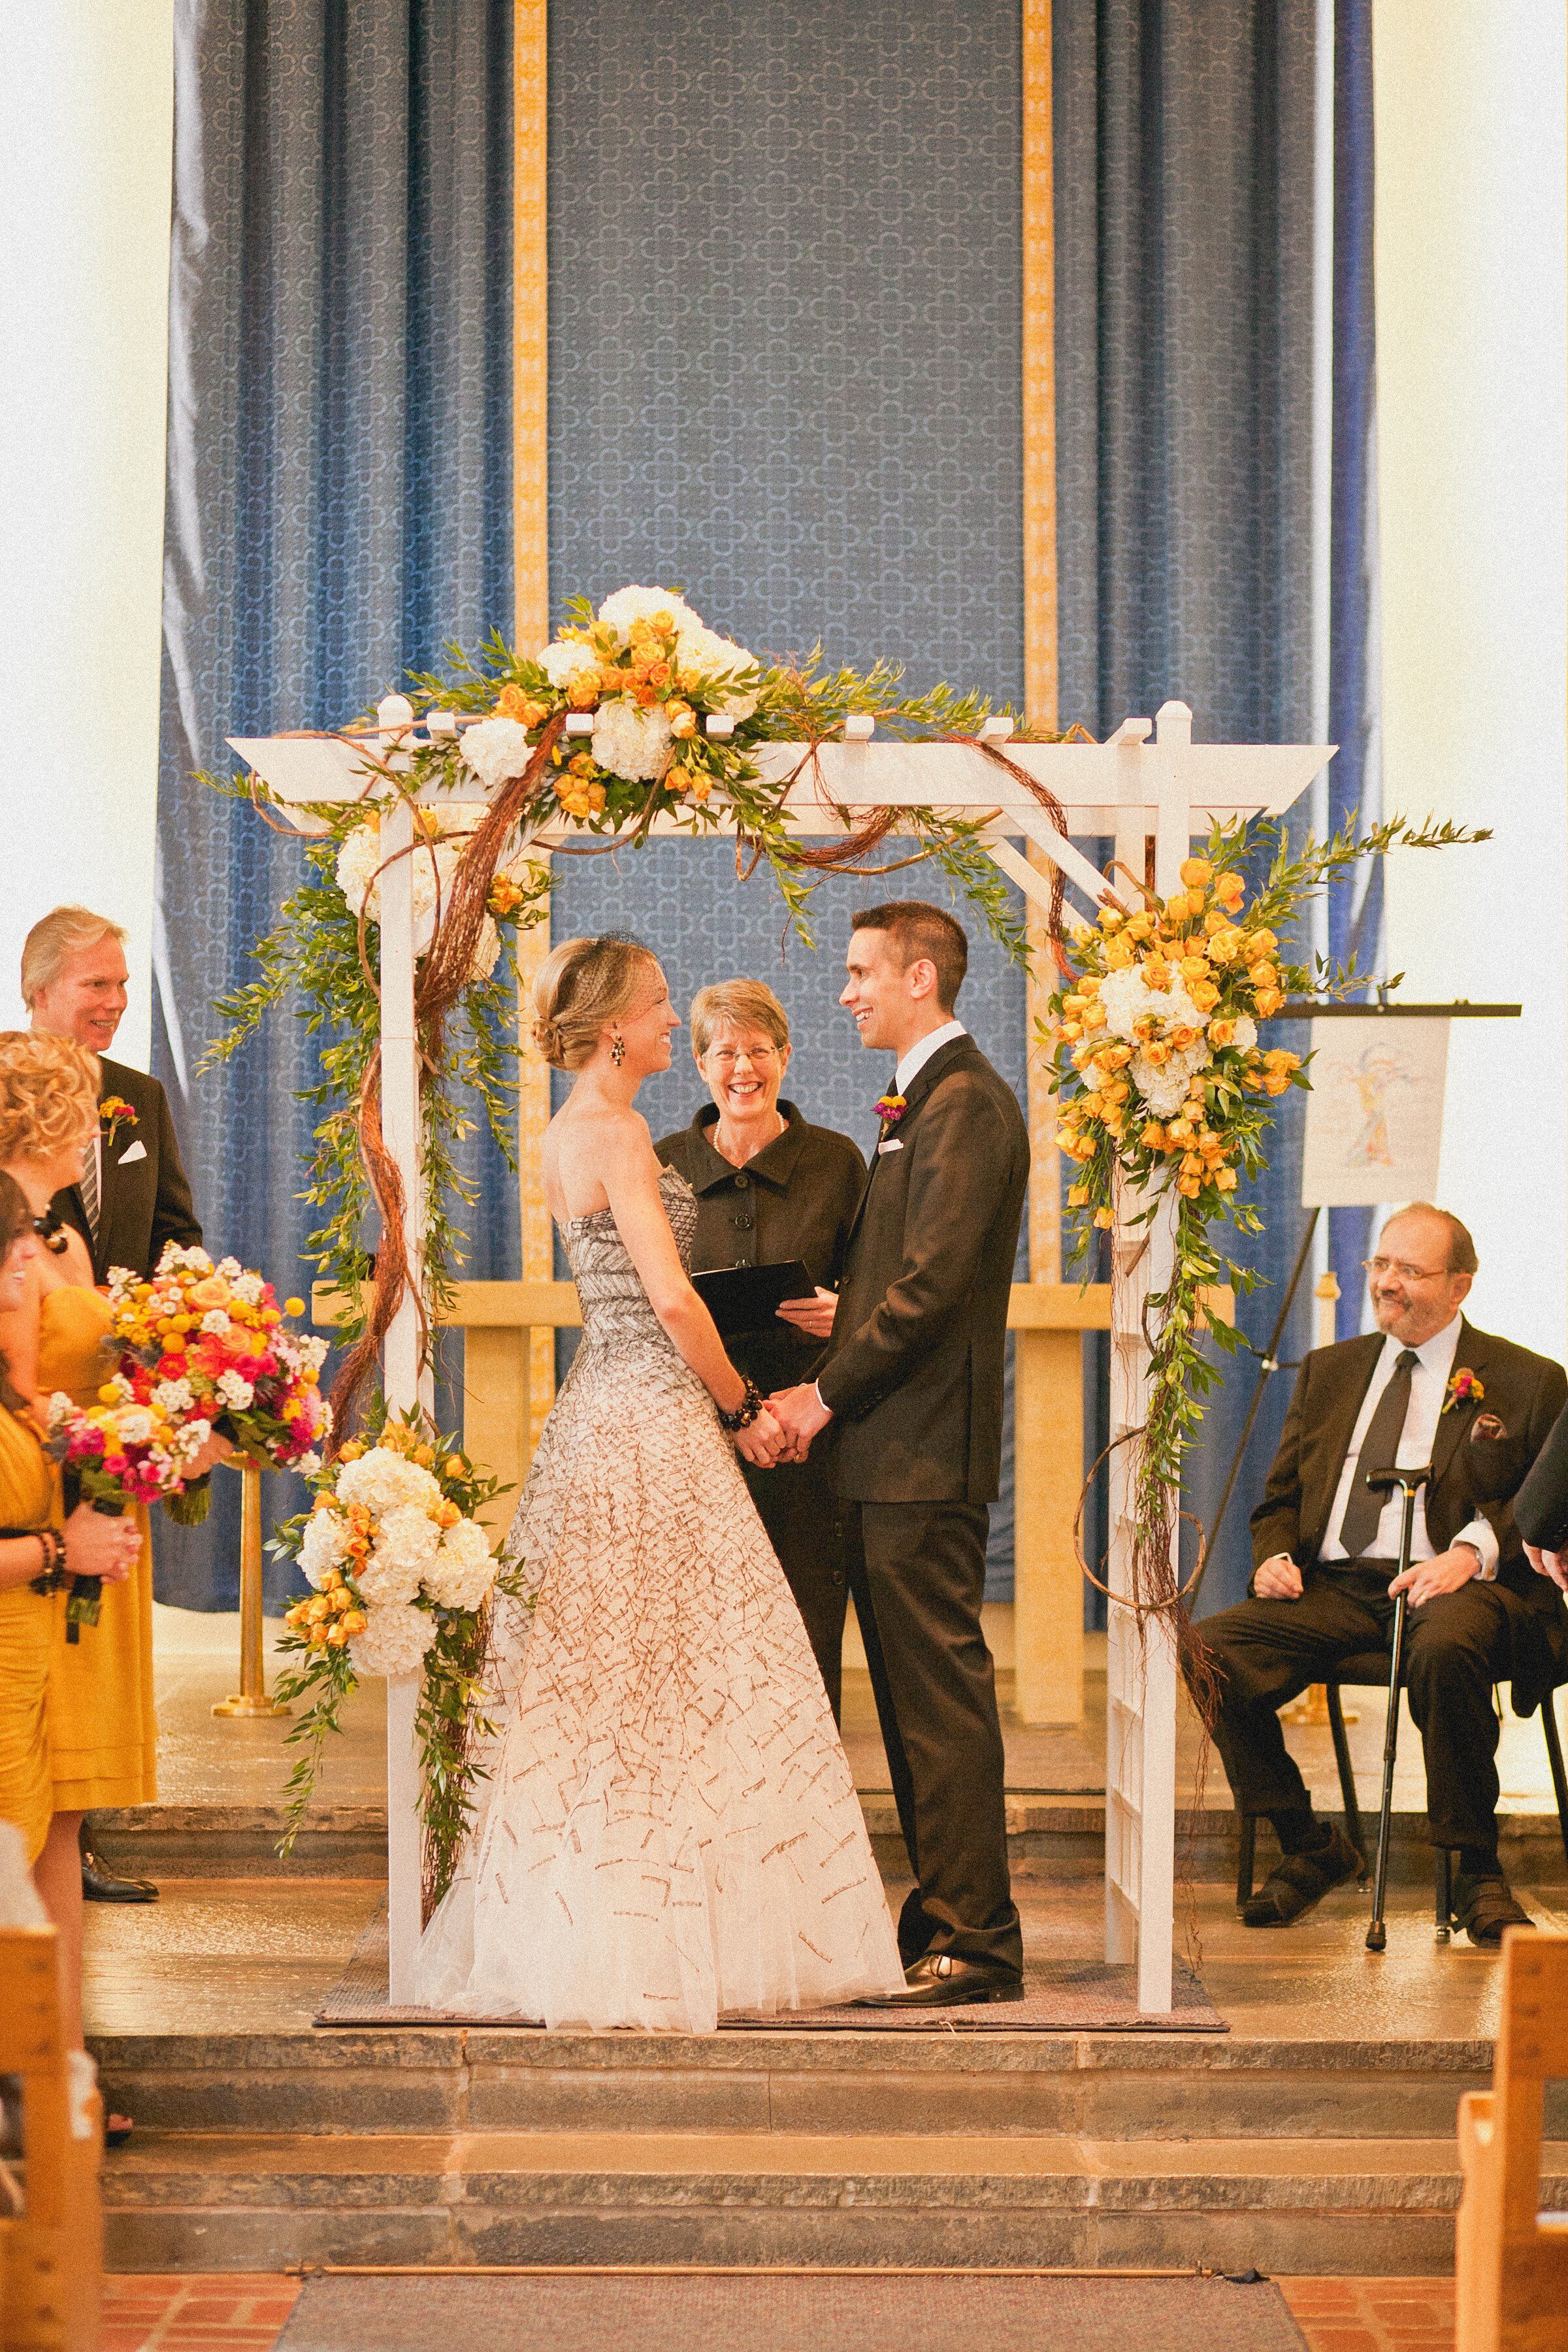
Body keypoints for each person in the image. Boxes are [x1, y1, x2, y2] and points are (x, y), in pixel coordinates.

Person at [417, 935, 903, 2029]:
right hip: (657, 1420)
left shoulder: (565, 1134)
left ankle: (604, 1910)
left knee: (612, 1681)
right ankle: (667, 1928)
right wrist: (742, 1413)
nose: (667, 1015)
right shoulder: (621, 1129)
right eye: (657, 1003)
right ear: (611, 1032)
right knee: (693, 1675)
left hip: (603, 1405)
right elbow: (675, 1303)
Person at [768, 902, 1030, 2008]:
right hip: (895, 1457)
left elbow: (933, 1293)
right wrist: (853, 1305)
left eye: (863, 971)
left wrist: (819, 1399)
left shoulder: (964, 1101)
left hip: (917, 1461)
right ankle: (941, 1920)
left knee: (938, 1705)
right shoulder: (921, 1098)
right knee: (918, 1706)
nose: (847, 992)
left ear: (922, 977)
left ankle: (980, 1940)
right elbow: (918, 1273)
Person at [1196, 1203, 1568, 1946]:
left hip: (1461, 1586)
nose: (1387, 1284)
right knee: (1209, 1648)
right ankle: (1309, 1844)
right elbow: (1279, 1500)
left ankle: (1475, 1870)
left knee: (1443, 1645)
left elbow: (1543, 1501)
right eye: (1381, 1265)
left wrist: (1468, 1554)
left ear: (1459, 1286)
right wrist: (1274, 1556)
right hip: (1337, 1587)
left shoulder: (1527, 1379)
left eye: (1410, 1270)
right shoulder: (1330, 1371)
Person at [23, 905, 204, 1905]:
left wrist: (193, 1353)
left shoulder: (137, 1097)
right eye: (97, 984)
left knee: (94, 1647)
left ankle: (74, 1840)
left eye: (123, 985)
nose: (115, 1003)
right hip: (26, 1415)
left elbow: (175, 1232)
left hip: (117, 1409)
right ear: (38, 988)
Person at [655, 978, 865, 1716]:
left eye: (758, 1050)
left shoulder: (837, 1162)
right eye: (723, 1053)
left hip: (808, 1439)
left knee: (804, 1630)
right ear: (700, 1066)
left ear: (786, 1056)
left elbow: (875, 1295)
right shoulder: (665, 1163)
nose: (742, 1068)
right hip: (698, 1433)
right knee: (702, 1634)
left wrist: (846, 1313)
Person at [0, 1169, 140, 2140]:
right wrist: (59, 1551)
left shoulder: (19, 1398)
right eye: (12, 1262)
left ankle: (44, 2096)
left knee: (33, 1874)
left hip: (33, 1668)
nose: (26, 1287)